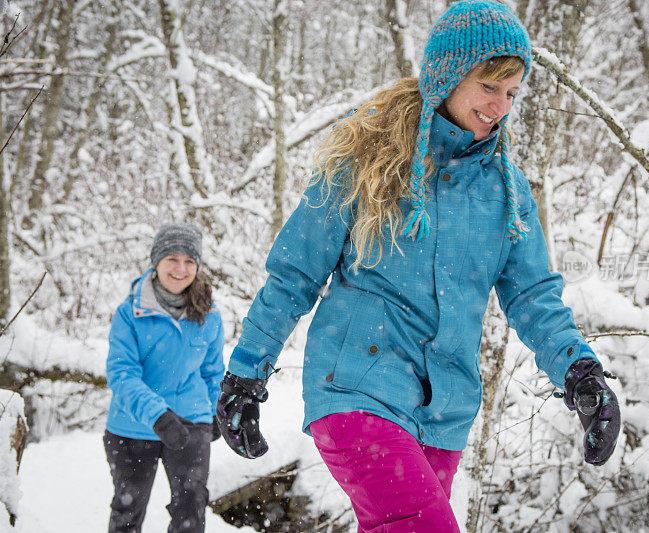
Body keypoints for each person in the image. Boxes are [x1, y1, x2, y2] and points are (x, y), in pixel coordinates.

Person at [216, 1, 621, 531]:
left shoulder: (506, 192)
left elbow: (532, 298)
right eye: (489, 86)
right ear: (450, 73)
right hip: (357, 390)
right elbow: (294, 274)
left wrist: (580, 372)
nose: (500, 105)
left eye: (512, 93)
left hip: (442, 415)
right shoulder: (365, 162)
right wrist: (245, 374)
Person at [104, 222, 224, 533]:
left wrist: (215, 413)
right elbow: (121, 374)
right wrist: (157, 415)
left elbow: (212, 372)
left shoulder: (209, 314)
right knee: (127, 512)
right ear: (156, 262)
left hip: (190, 420)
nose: (181, 269)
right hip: (132, 425)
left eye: (190, 261)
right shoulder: (129, 313)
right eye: (172, 259)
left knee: (190, 513)